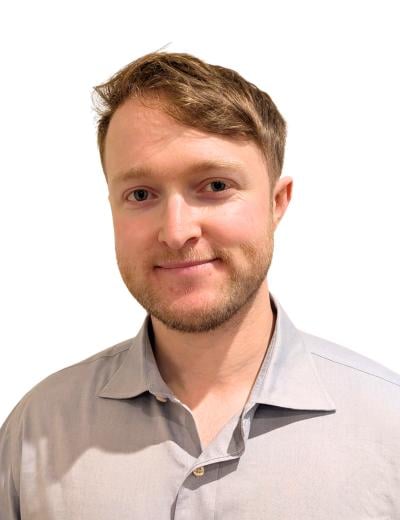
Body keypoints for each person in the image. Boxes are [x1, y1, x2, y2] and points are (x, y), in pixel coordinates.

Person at [1, 51, 399, 520]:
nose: (176, 231)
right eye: (141, 194)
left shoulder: (388, 427)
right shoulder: (37, 432)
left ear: (277, 203)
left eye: (214, 186)